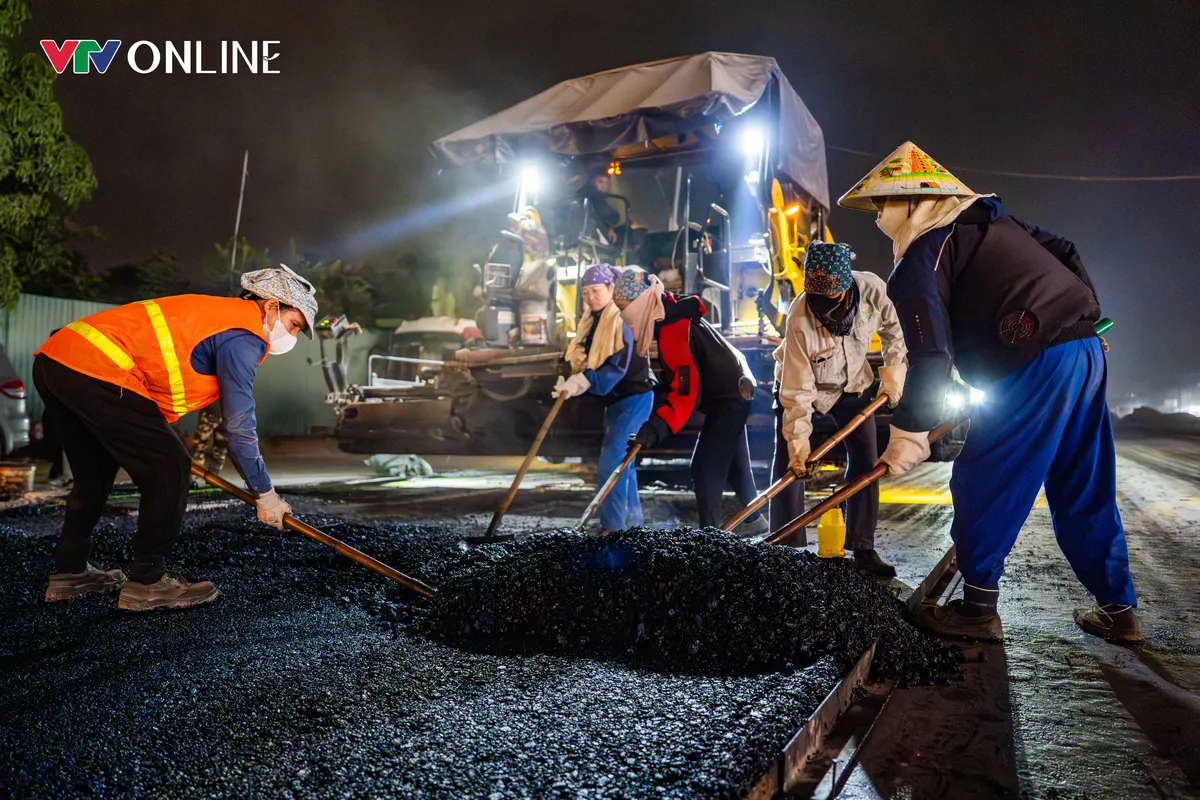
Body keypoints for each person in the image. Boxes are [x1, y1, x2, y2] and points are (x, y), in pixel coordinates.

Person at [841, 141, 1139, 641]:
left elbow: (929, 356)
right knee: (1082, 481)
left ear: (913, 202)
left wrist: (908, 432)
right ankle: (1118, 608)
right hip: (1084, 351)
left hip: (1030, 359)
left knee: (987, 474)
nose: (877, 218)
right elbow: (1065, 250)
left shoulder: (923, 252)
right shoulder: (996, 222)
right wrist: (1089, 321)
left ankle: (976, 609)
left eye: (882, 205)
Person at [34, 265, 318, 612]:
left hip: (57, 359)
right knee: (170, 466)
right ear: (272, 306)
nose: (290, 336)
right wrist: (265, 493)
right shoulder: (244, 334)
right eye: (293, 324)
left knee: (94, 473)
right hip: (100, 366)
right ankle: (148, 583)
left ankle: (71, 573)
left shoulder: (219, 318)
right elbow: (240, 426)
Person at [772, 243, 908, 575]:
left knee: (865, 463)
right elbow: (798, 392)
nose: (822, 310)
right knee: (791, 467)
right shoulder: (799, 319)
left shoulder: (872, 289)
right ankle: (787, 552)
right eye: (816, 302)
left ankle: (863, 548)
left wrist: (893, 375)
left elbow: (896, 332)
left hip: (854, 386)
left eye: (830, 303)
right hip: (805, 389)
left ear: (846, 289)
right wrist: (800, 445)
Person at [615, 267, 764, 533]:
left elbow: (685, 393)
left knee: (705, 467)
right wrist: (648, 427)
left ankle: (710, 536)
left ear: (642, 302)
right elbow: (674, 382)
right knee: (734, 463)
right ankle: (755, 521)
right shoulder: (671, 317)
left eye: (624, 308)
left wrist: (654, 430)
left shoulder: (673, 329)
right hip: (736, 389)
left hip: (730, 397)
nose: (623, 316)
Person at [554, 264, 654, 532]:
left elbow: (618, 365)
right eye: (585, 292)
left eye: (596, 291)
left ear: (611, 289)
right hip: (615, 401)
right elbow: (583, 353)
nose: (591, 297)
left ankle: (613, 528)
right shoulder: (592, 319)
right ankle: (633, 526)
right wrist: (570, 375)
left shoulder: (622, 318)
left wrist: (586, 380)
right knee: (623, 463)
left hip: (635, 396)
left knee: (612, 459)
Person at [191, 402, 228, 477]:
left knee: (218, 444)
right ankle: (197, 473)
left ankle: (211, 474)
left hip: (216, 406)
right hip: (217, 405)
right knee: (203, 439)